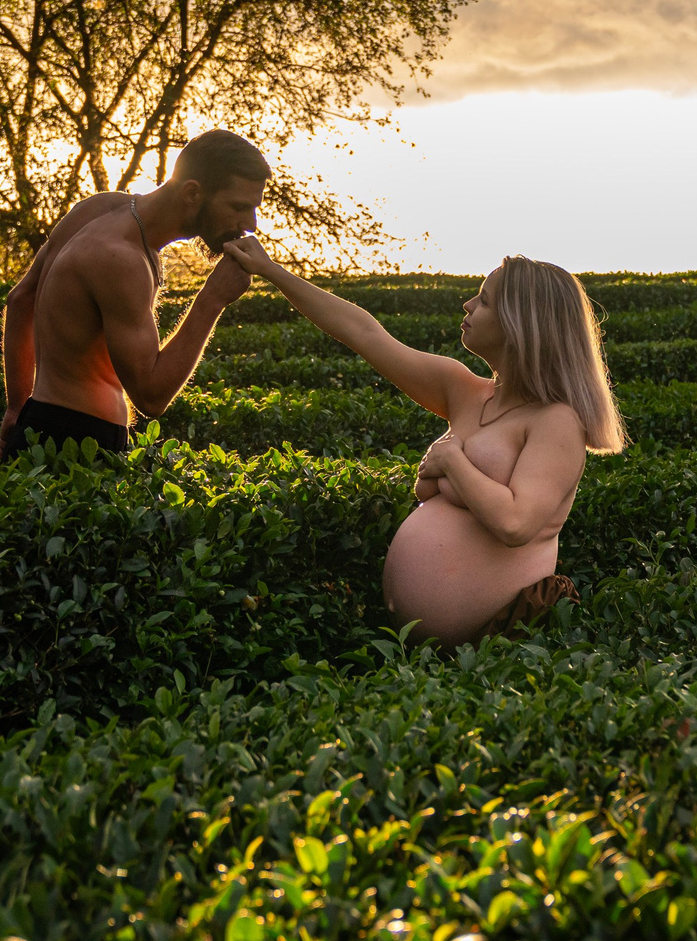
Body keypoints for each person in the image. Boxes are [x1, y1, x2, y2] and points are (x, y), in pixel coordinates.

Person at [218, 237, 627, 644]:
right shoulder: (463, 389)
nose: (467, 306)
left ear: (521, 323)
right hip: (413, 655)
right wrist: (270, 270)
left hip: (487, 656)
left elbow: (515, 523)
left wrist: (452, 462)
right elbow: (363, 332)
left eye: (483, 301)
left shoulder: (556, 422)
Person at [0, 130, 267, 460]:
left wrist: (16, 408)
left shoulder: (96, 209)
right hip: (79, 447)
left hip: (37, 423)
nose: (250, 224)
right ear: (193, 192)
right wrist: (213, 298)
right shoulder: (121, 259)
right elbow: (151, 396)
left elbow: (20, 299)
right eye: (239, 207)